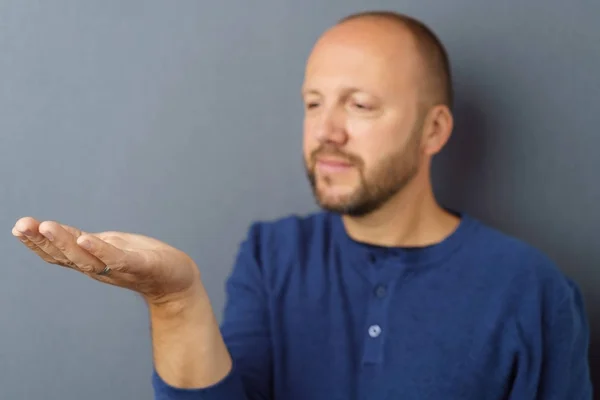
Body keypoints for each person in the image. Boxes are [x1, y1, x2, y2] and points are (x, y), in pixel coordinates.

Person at [12, 10, 592, 400]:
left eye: (360, 105)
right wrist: (175, 300)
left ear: (433, 129)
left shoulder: (530, 288)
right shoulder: (272, 254)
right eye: (314, 104)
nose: (326, 131)